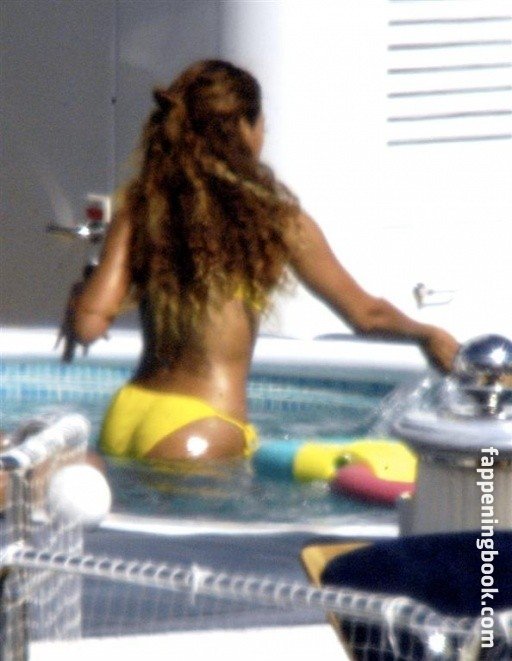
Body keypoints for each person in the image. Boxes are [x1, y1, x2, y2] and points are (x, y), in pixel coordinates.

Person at [63, 59, 459, 464]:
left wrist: (81, 295)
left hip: (127, 416)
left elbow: (88, 326)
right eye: (261, 125)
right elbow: (367, 315)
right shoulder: (276, 220)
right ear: (244, 129)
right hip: (200, 427)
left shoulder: (142, 208)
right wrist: (424, 334)